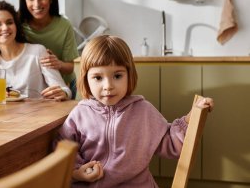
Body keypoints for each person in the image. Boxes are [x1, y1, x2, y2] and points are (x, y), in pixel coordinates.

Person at [55, 35, 214, 187]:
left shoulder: (143, 111)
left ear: (129, 75)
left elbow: (172, 144)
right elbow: (63, 147)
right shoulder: (80, 114)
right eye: (98, 78)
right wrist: (76, 172)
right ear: (86, 79)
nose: (108, 85)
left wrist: (191, 117)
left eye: (117, 76)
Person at [0, 0, 71, 101]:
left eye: (9, 22)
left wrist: (63, 93)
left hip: (39, 114)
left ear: (16, 26)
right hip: (5, 115)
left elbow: (64, 90)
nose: (5, 28)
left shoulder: (38, 52)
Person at [18, 0, 79, 99]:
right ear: (24, 1)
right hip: (33, 88)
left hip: (62, 85)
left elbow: (72, 66)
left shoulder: (64, 25)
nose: (37, 4)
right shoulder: (17, 25)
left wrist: (59, 64)